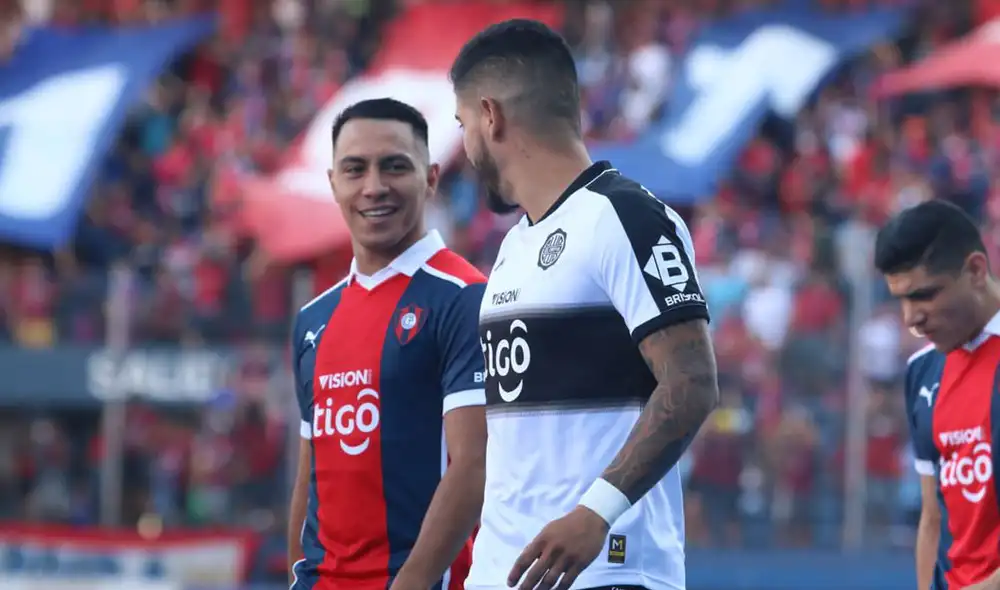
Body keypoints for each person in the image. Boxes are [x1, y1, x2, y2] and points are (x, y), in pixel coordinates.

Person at [449, 19, 720, 590]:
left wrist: (597, 510)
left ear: (490, 116)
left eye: (462, 124)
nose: (466, 146)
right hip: (503, 573)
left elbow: (692, 380)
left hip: (605, 571)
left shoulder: (624, 217)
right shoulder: (514, 247)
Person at [288, 98, 487, 590]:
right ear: (333, 182)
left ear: (431, 178)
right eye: (355, 169)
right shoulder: (313, 320)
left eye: (395, 166)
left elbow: (474, 465)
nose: (374, 186)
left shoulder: (465, 298)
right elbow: (311, 477)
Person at [876, 199, 1000, 590]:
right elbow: (932, 517)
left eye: (924, 295)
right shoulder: (922, 371)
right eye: (901, 299)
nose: (910, 317)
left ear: (976, 271)